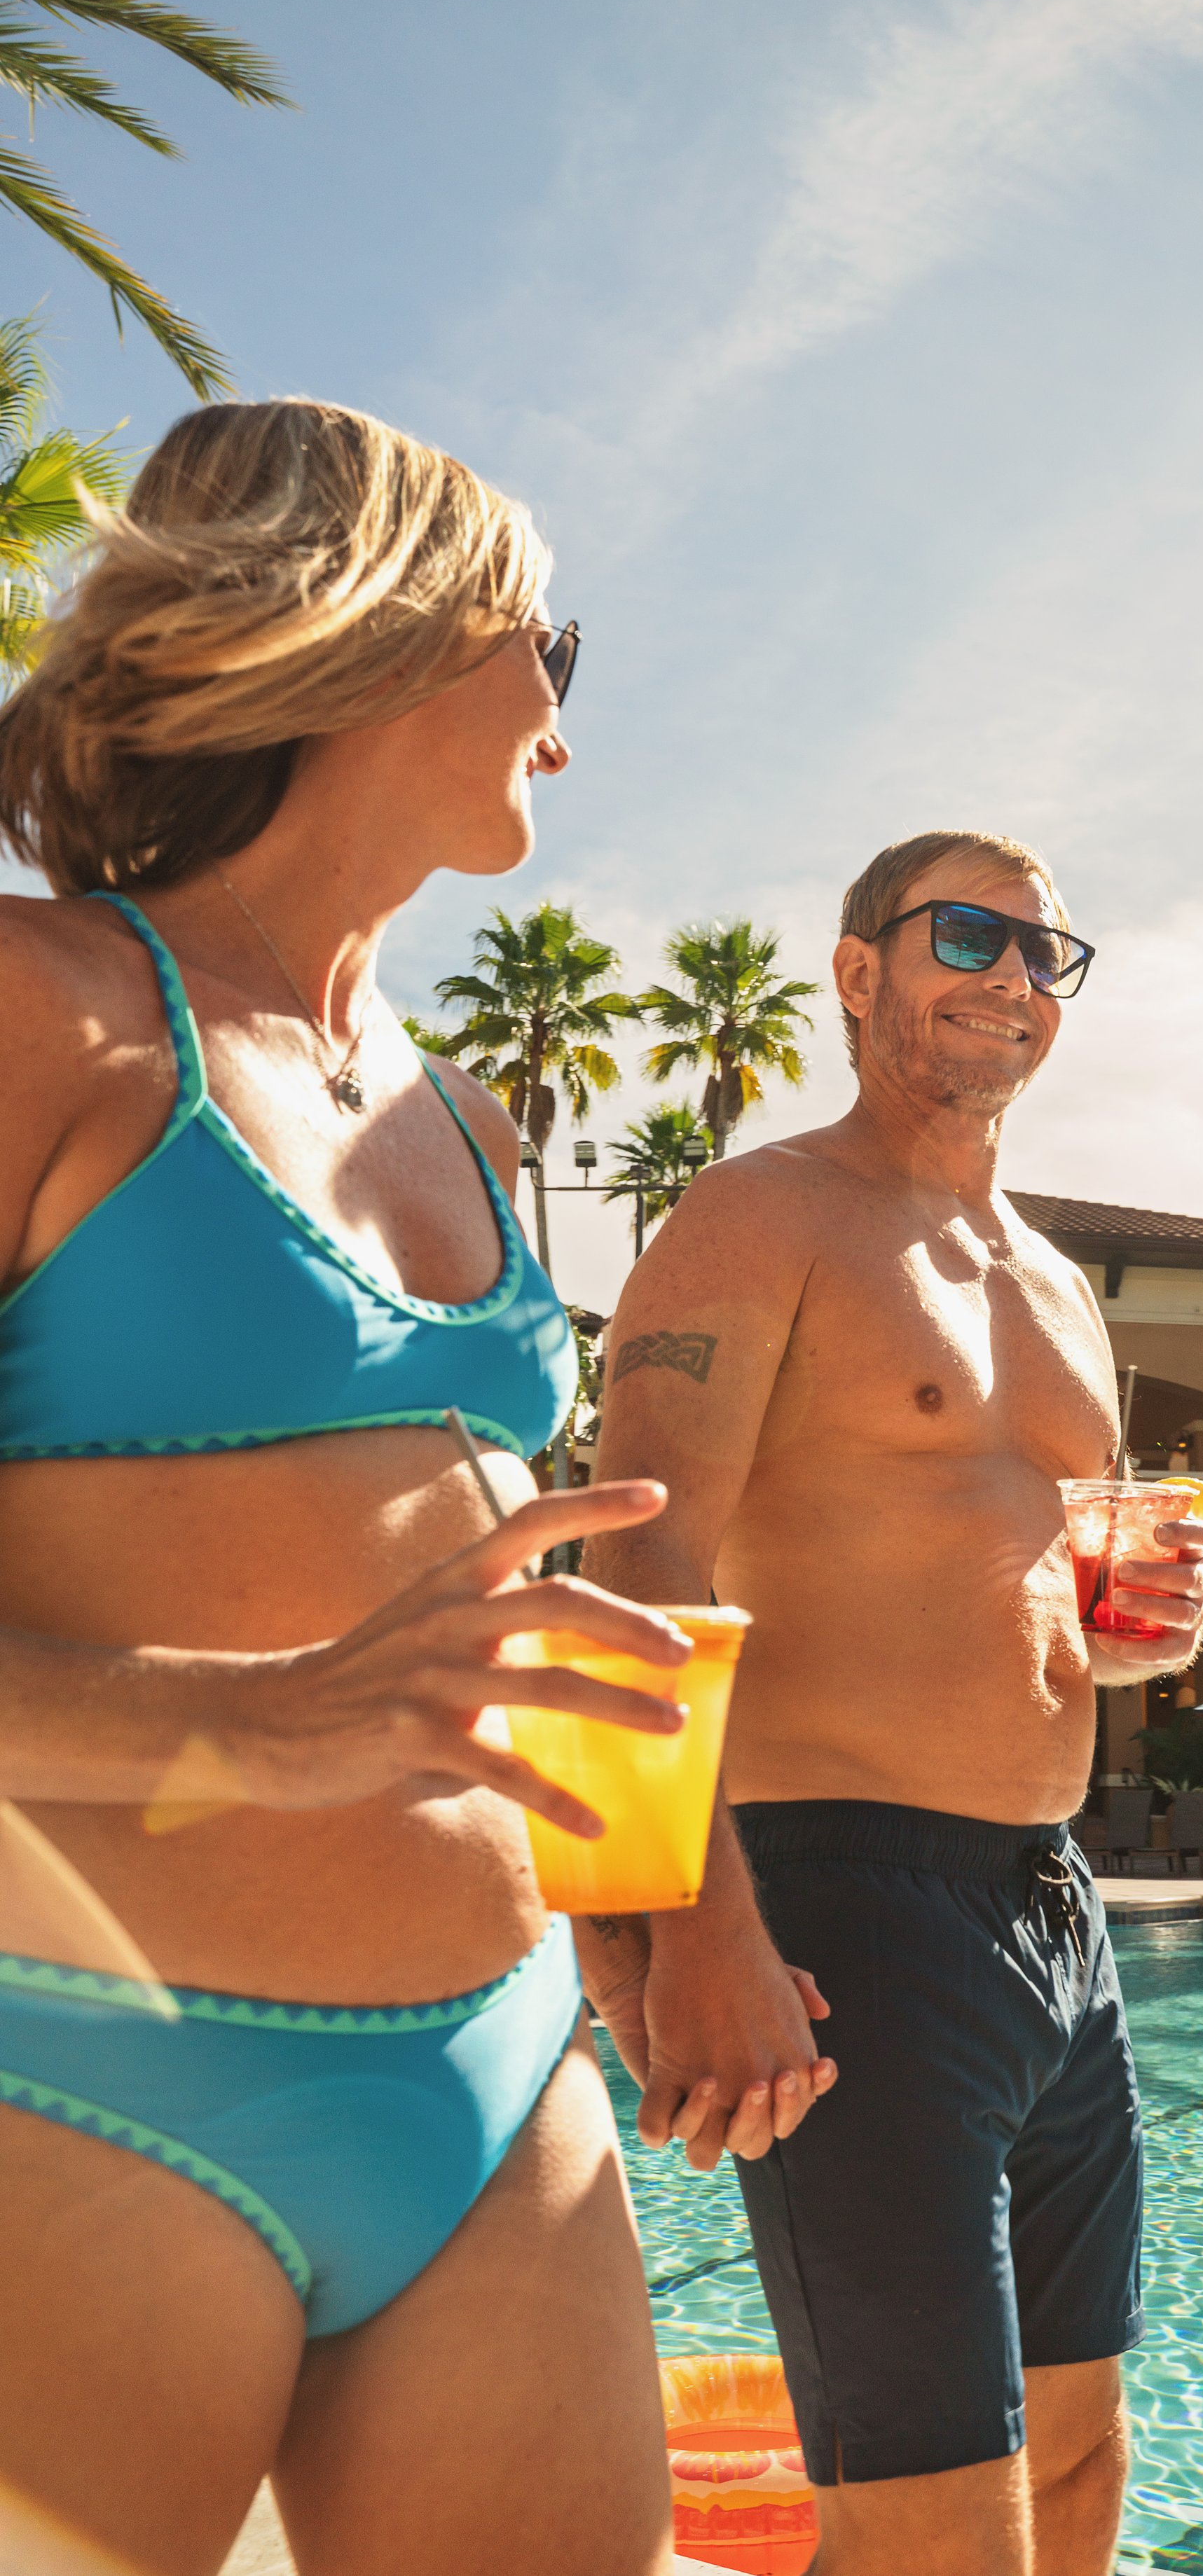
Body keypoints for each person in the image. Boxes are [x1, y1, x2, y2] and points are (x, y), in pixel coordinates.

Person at [0, 399, 702, 2576]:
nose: (564, 741)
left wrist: (659, 1916)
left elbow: (478, 1607)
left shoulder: (473, 1120)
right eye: (548, 656)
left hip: (503, 2082)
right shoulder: (42, 1014)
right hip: (98, 2080)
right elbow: (329, 1662)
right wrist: (261, 1716)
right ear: (389, 627)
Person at [583, 830, 1203, 2576]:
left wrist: (1130, 1631)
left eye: (1044, 952)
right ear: (857, 969)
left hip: (1050, 1905)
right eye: (967, 932)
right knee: (926, 2525)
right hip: (839, 1894)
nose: (1012, 972)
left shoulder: (1055, 1285)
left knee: (1079, 2462)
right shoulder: (763, 1214)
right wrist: (673, 1926)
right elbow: (631, 1568)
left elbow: (1036, 1591)